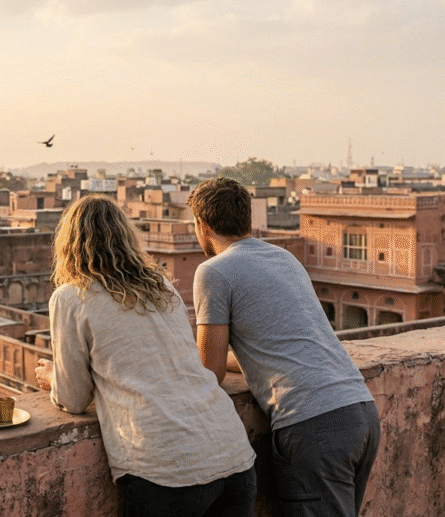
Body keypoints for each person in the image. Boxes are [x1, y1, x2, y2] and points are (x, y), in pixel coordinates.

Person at [33, 195, 256, 517]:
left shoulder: (71, 298)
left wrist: (54, 377)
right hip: (231, 453)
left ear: (69, 243)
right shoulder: (162, 286)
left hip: (167, 466)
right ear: (127, 236)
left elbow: (73, 399)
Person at [187, 178, 380, 517]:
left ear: (203, 226)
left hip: (313, 423)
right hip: (359, 411)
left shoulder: (213, 271)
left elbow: (209, 372)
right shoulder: (283, 258)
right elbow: (279, 347)